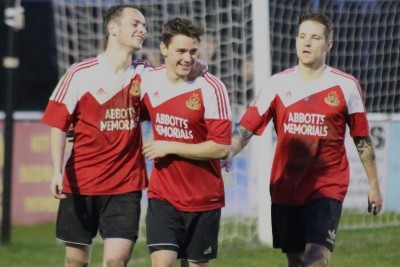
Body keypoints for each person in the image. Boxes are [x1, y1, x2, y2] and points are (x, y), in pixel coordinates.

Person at [226, 13, 383, 267]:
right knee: (297, 260)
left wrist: (374, 185)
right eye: (302, 36)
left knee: (316, 259)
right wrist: (226, 152)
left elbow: (362, 138)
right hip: (286, 186)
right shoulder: (277, 84)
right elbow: (245, 129)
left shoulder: (346, 86)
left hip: (327, 185)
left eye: (315, 37)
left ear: (328, 44)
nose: (306, 43)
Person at [42, 5, 149, 267]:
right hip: (81, 182)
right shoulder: (80, 73)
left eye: (144, 26)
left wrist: (197, 66)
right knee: (75, 260)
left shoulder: (146, 74)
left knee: (116, 260)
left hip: (126, 184)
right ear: (113, 28)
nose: (142, 30)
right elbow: (57, 123)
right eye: (135, 24)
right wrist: (56, 171)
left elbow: (175, 85)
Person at [140, 18, 232, 267]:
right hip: (163, 194)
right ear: (163, 49)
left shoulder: (212, 87)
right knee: (162, 263)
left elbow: (221, 146)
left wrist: (169, 146)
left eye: (193, 51)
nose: (188, 58)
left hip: (204, 197)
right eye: (180, 51)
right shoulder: (147, 80)